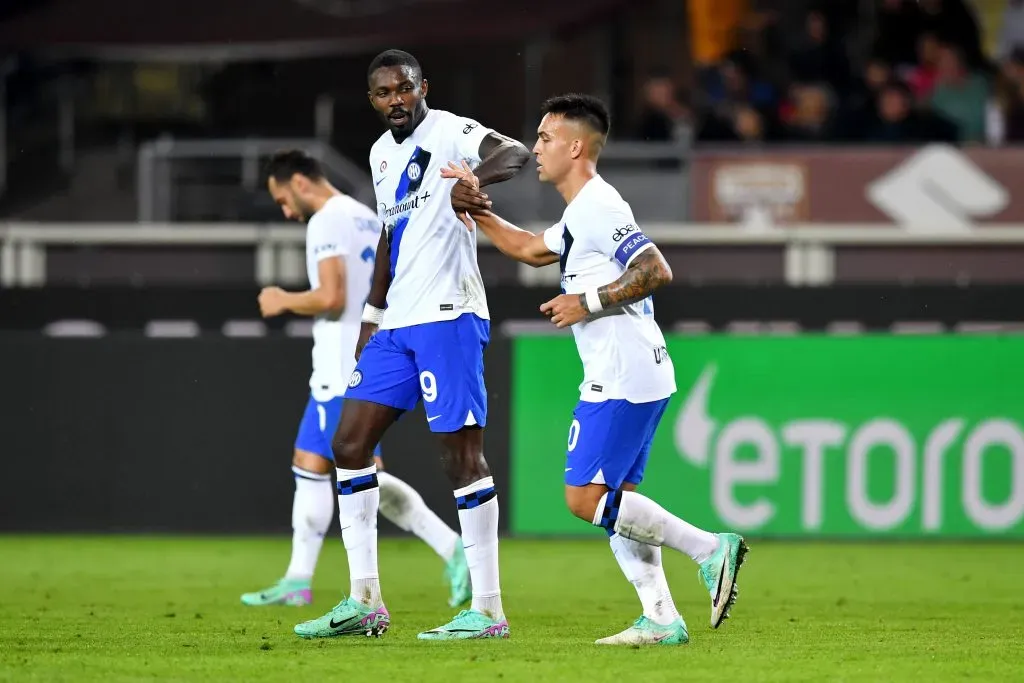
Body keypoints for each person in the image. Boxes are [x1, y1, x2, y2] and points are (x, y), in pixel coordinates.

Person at [441, 94, 748, 646]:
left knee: (584, 499)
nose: (535, 147)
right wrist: (479, 211)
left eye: (546, 138)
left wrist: (590, 303)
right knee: (620, 502)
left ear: (576, 146)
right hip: (639, 369)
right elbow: (535, 250)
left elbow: (655, 269)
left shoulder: (600, 207)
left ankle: (710, 548)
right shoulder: (581, 212)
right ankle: (660, 617)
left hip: (623, 372)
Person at [292, 50, 530, 641]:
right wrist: (371, 317)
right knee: (348, 444)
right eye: (382, 93)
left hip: (449, 315)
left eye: (403, 88)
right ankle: (365, 600)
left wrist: (475, 179)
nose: (395, 100)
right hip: (395, 324)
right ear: (372, 99)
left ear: (422, 86)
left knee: (459, 458)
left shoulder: (450, 130)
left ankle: (490, 609)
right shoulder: (378, 154)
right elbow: (391, 238)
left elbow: (516, 153)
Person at [243, 149, 472, 611]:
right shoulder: (367, 215)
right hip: (356, 353)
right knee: (309, 461)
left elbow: (332, 296)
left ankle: (453, 548)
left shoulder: (326, 219)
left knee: (363, 475)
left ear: (301, 184)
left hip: (340, 363)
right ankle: (297, 579)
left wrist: (282, 300)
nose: (286, 211)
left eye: (284, 199)